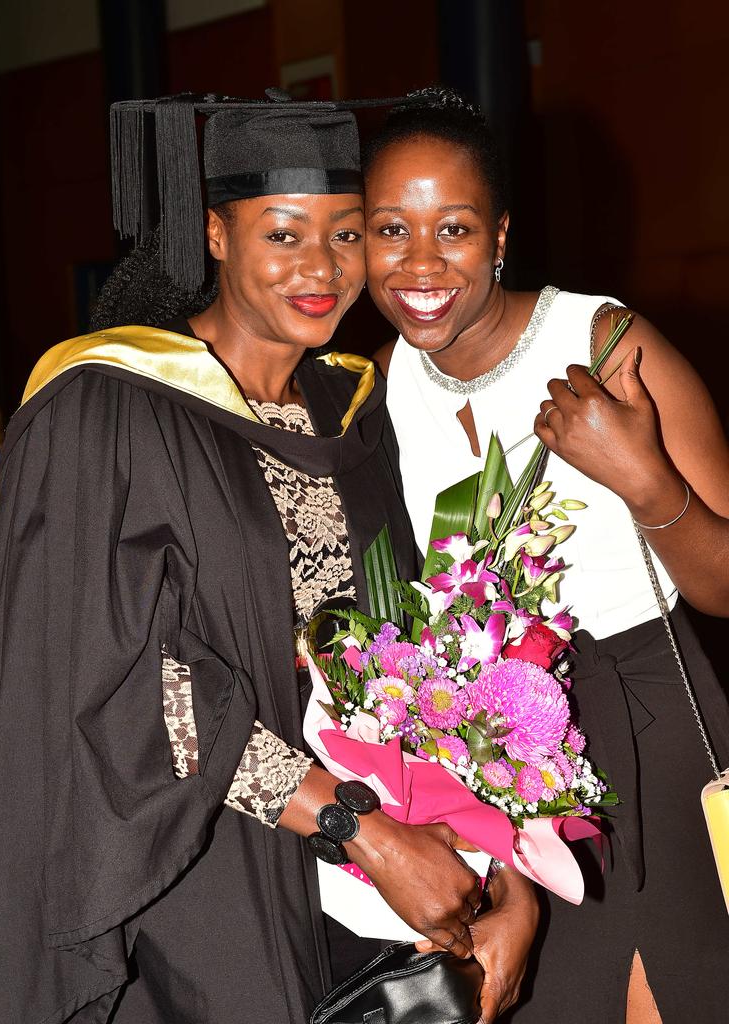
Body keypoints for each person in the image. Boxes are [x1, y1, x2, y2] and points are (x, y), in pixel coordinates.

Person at [0, 92, 517, 1024]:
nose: (323, 270)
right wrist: (355, 828)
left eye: (348, 237)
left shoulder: (357, 409)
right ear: (215, 234)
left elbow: (414, 645)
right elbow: (122, 678)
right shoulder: (110, 408)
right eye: (285, 235)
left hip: (369, 887)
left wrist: (495, 858)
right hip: (193, 875)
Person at [364, 87, 729, 1024]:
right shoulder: (382, 385)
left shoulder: (607, 343)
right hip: (498, 755)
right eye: (388, 230)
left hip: (647, 721)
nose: (420, 263)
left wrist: (644, 479)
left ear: (498, 235)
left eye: (452, 227)